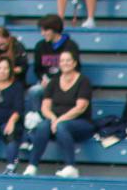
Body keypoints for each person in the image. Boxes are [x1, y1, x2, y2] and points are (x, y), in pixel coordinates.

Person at [19, 46, 95, 177]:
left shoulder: (83, 81)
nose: (65, 63)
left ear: (74, 63)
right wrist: (53, 119)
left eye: (68, 60)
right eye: (62, 61)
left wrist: (59, 120)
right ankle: (32, 165)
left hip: (80, 123)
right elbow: (45, 107)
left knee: (61, 126)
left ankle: (71, 167)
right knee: (43, 125)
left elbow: (80, 107)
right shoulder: (54, 82)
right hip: (57, 123)